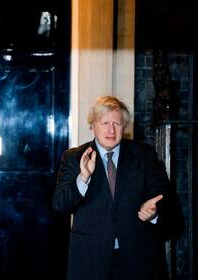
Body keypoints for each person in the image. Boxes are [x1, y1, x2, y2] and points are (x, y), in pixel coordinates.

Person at [52, 96, 171, 280]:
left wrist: (154, 214)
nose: (111, 130)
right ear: (92, 125)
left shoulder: (144, 155)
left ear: (125, 127)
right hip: (90, 260)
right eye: (105, 122)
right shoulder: (74, 157)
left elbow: (167, 203)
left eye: (117, 123)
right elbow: (60, 205)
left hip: (138, 261)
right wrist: (83, 178)